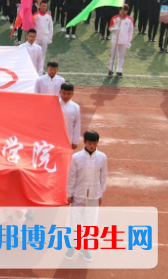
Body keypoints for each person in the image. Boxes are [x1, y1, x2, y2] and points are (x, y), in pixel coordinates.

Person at [65, 130, 107, 262]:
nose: (92, 146)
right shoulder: (76, 157)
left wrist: (100, 194)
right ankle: (71, 247)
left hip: (94, 196)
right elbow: (72, 176)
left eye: (95, 143)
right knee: (74, 222)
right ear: (85, 142)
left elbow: (103, 177)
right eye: (90, 143)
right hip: (79, 195)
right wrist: (70, 193)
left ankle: (85, 249)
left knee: (90, 223)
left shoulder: (102, 157)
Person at [108, 5, 134, 77]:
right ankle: (111, 69)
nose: (124, 11)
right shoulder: (114, 18)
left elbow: (130, 32)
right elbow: (110, 28)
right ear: (120, 10)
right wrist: (115, 28)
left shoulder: (130, 20)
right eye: (122, 10)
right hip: (115, 40)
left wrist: (129, 41)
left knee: (121, 56)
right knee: (112, 55)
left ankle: (119, 70)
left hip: (124, 41)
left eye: (125, 10)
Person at [59, 82, 81, 150]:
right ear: (60, 92)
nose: (66, 96)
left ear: (72, 94)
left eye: (69, 94)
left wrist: (75, 141)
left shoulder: (75, 107)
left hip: (69, 138)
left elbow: (77, 125)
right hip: (55, 138)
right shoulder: (54, 105)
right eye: (64, 93)